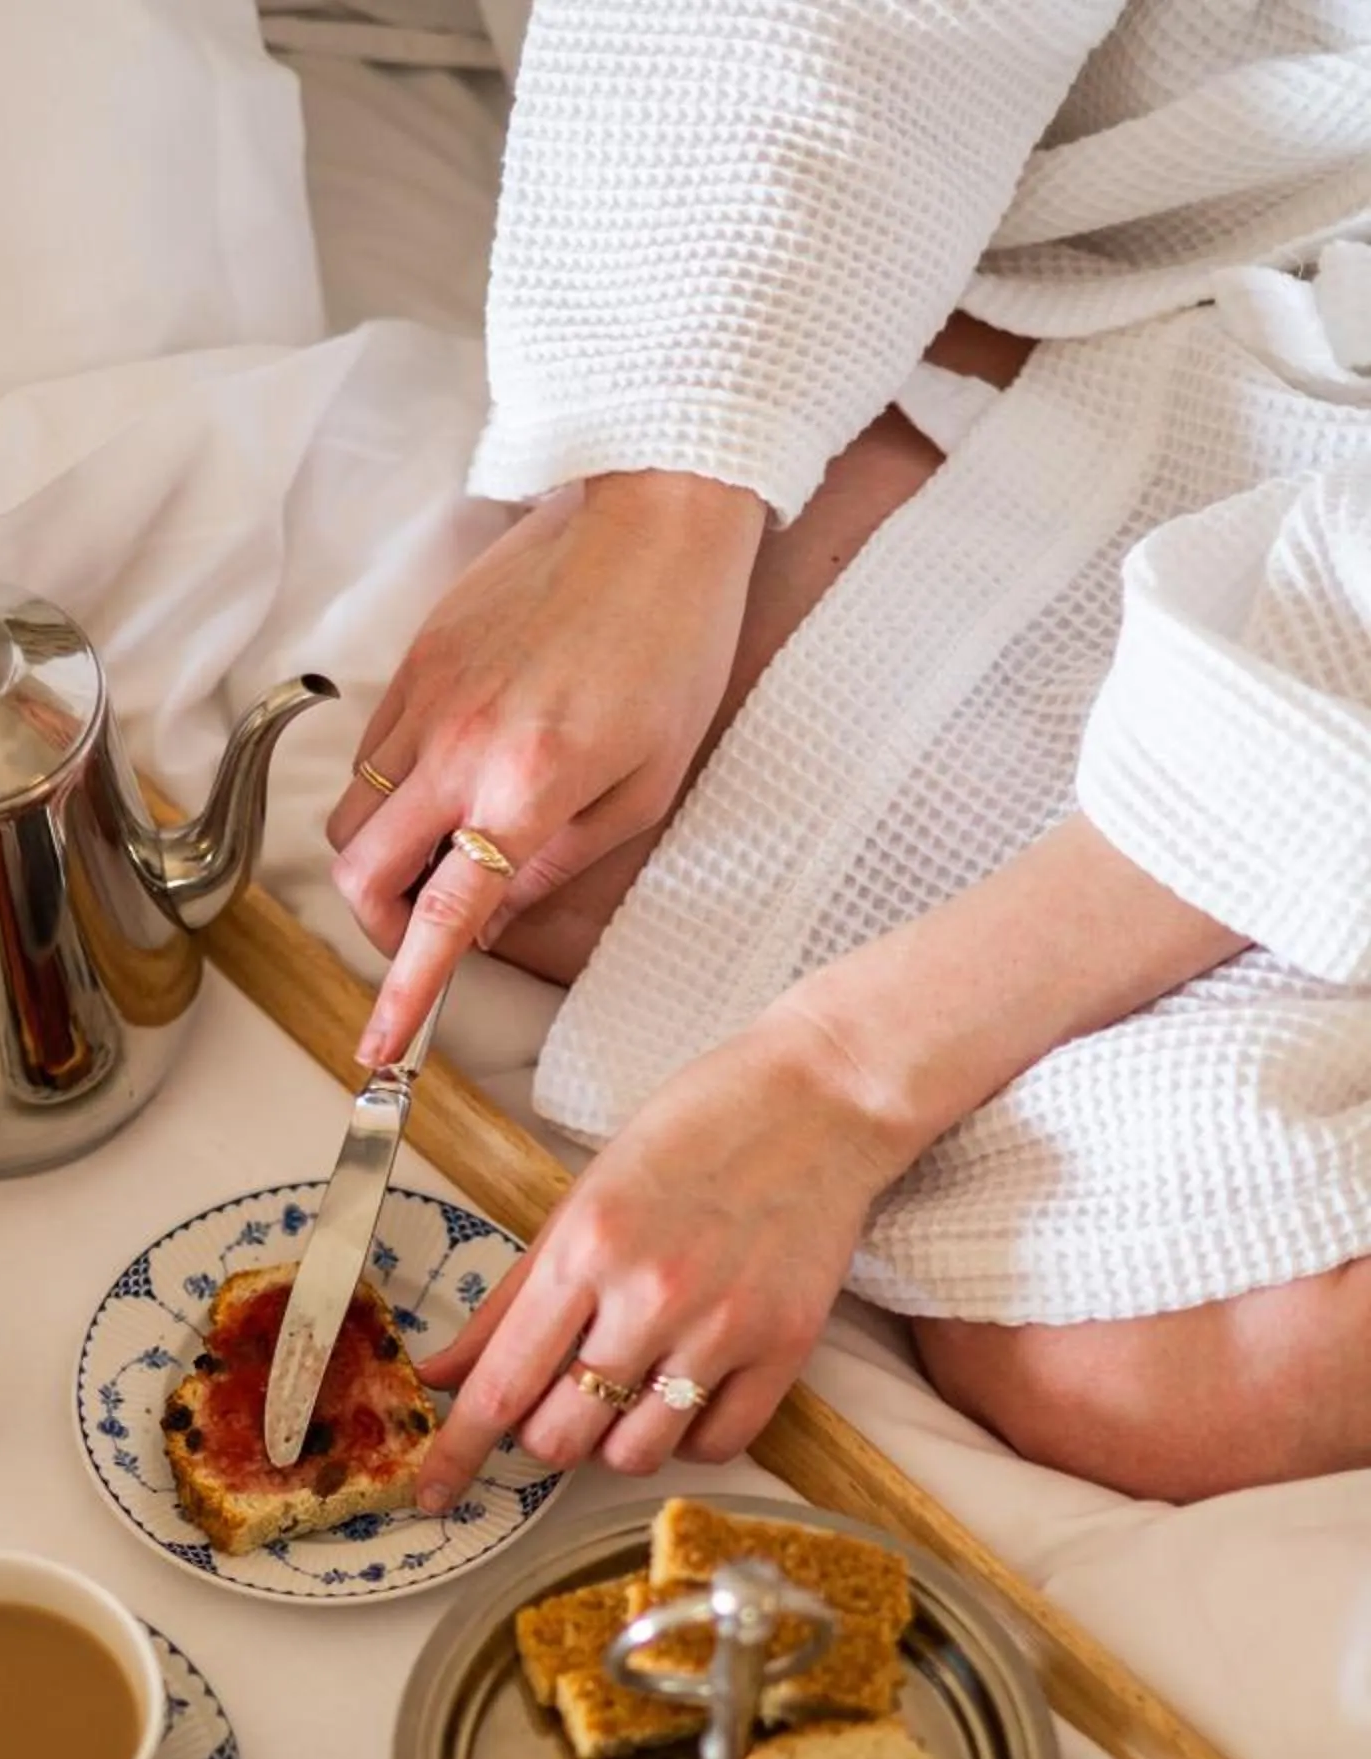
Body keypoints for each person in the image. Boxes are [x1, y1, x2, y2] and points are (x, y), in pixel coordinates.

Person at [325, 2, 1371, 1508]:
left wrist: (841, 1080)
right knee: (555, 849)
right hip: (1246, 201)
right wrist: (667, 502)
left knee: (1148, 1374)